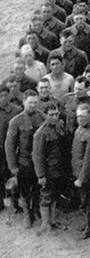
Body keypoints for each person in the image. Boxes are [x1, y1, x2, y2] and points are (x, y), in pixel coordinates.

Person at [5, 91, 45, 228]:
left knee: (38, 188)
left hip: (39, 162)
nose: (33, 105)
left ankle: (36, 210)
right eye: (30, 102)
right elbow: (9, 145)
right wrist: (13, 166)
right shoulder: (16, 121)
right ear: (24, 102)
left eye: (35, 102)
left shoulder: (42, 118)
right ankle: (28, 214)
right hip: (24, 162)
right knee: (24, 190)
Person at [31, 102, 66, 235]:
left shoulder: (59, 127)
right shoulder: (41, 133)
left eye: (56, 114)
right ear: (45, 115)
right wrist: (41, 175)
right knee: (46, 197)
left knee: (55, 196)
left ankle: (52, 220)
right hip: (48, 172)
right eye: (51, 115)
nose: (54, 117)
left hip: (58, 170)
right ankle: (45, 224)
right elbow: (37, 156)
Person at [71, 104, 90, 239]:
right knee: (84, 201)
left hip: (87, 175)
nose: (79, 119)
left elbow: (89, 159)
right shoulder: (80, 129)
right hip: (78, 172)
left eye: (83, 116)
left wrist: (81, 178)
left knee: (89, 202)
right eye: (78, 116)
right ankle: (89, 224)